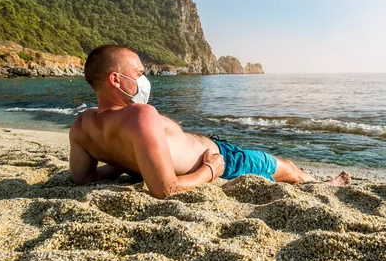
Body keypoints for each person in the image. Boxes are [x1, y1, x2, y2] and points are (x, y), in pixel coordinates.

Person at [69, 45, 350, 199]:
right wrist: (210, 170)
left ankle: (315, 180)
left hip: (204, 152)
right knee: (285, 167)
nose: (144, 79)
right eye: (139, 72)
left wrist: (123, 163)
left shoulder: (83, 125)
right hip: (221, 159)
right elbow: (164, 190)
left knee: (282, 165)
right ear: (116, 79)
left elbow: (83, 178)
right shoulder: (140, 115)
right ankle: (326, 186)